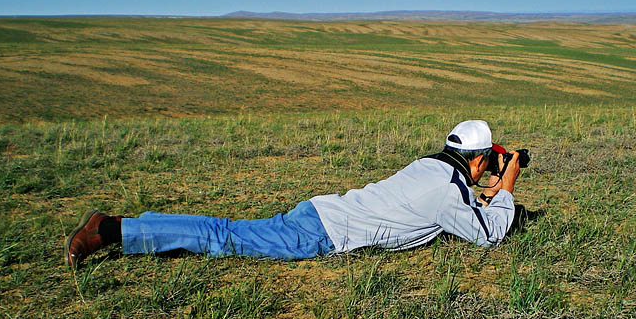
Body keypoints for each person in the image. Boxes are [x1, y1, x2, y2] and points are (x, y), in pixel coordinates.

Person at [65, 120, 522, 267]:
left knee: (225, 233)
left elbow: (459, 200)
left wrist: (486, 185)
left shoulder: (430, 167)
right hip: (319, 233)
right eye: (492, 159)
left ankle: (128, 227)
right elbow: (489, 234)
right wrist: (509, 182)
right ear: (481, 160)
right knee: (223, 237)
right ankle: (109, 229)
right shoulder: (446, 190)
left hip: (322, 212)